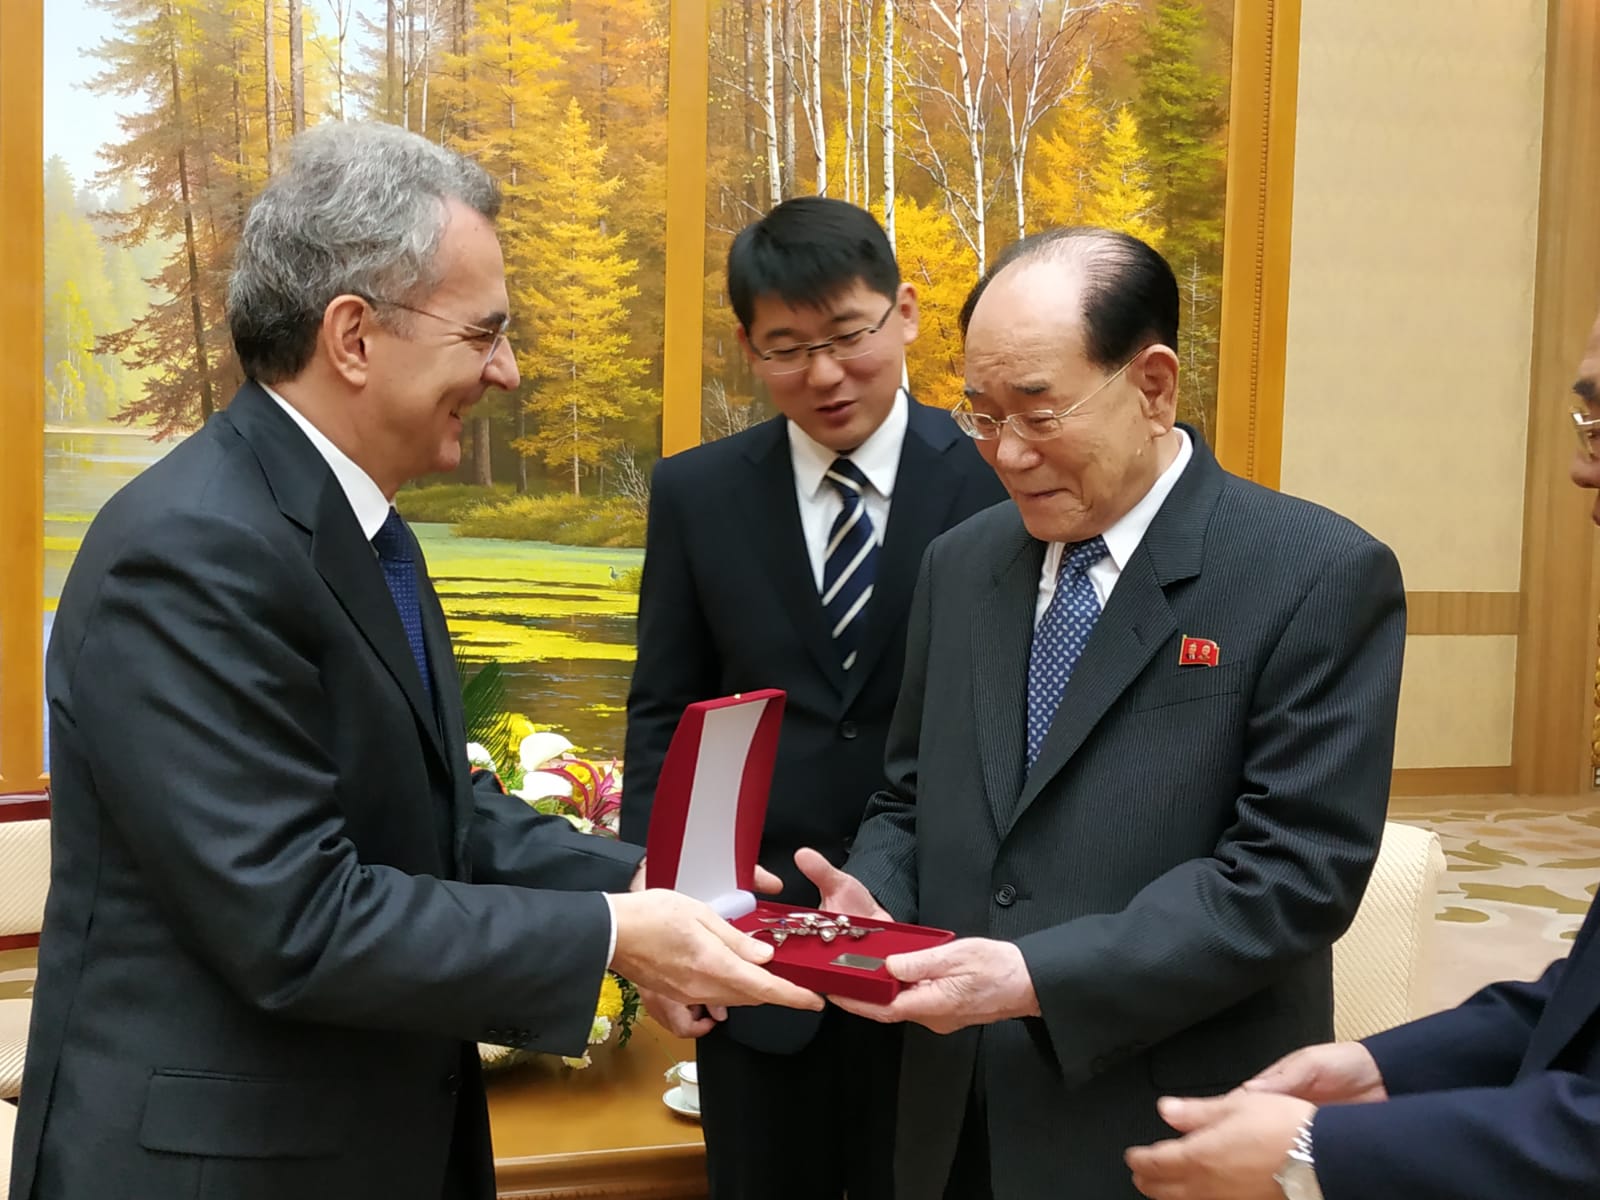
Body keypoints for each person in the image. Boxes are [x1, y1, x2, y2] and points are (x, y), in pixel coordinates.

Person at [9, 122, 818, 1200]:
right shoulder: (189, 551)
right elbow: (294, 919)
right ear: (352, 336)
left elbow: (443, 811)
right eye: (484, 333)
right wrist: (614, 935)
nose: (509, 372)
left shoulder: (360, 531)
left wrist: (642, 880)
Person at [796, 226, 1408, 1200]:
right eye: (979, 414)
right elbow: (910, 800)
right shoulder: (961, 565)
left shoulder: (1315, 574)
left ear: (1153, 384)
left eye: (1037, 411)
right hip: (956, 1119)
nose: (1004, 452)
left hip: (1164, 1122)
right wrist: (877, 904)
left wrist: (1034, 975)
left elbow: (1291, 875)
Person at [1123, 307, 1600, 1200]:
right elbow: (1583, 1001)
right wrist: (1386, 1069)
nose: (1580, 465)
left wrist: (1319, 1153)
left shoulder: (1318, 569)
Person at [620, 196, 1006, 1200]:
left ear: (906, 314)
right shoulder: (698, 494)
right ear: (749, 348)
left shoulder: (995, 484)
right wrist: (656, 915)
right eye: (788, 347)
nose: (825, 374)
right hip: (755, 949)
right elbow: (664, 709)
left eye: (847, 335)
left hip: (934, 950)